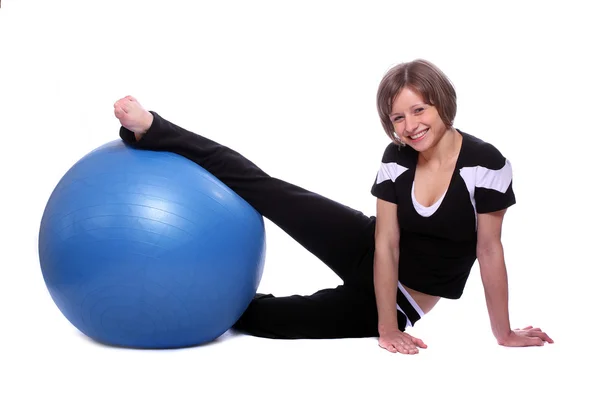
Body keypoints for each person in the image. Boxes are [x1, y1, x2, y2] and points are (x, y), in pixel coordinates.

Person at [113, 59, 553, 354]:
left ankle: (163, 303)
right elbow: (386, 244)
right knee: (269, 190)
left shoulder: (486, 165)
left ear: (442, 103)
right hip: (368, 248)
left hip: (401, 301)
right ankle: (155, 130)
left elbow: (490, 251)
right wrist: (385, 332)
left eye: (419, 110)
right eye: (398, 118)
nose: (410, 126)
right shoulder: (396, 159)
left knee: (264, 320)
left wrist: (503, 332)